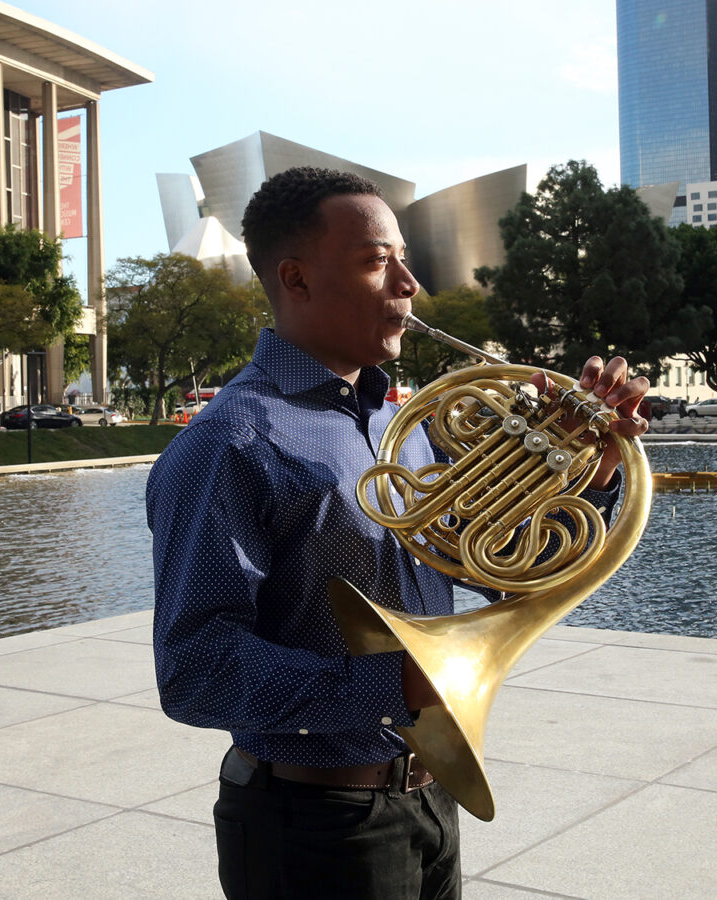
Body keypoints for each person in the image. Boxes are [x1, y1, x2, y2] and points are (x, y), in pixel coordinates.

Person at [147, 167, 649, 900]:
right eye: (378, 261)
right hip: (310, 821)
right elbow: (197, 670)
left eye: (404, 258)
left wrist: (594, 468)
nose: (410, 283)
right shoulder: (228, 442)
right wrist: (397, 683)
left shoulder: (403, 423)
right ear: (297, 278)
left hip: (425, 794)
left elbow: (496, 563)